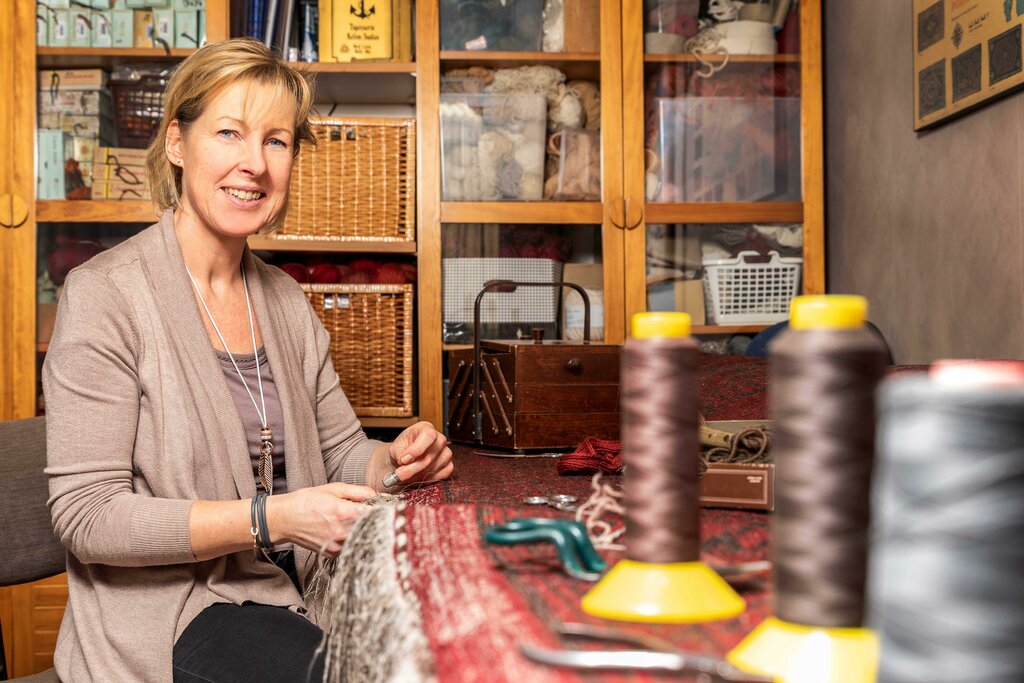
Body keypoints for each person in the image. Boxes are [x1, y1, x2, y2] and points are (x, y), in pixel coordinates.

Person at [43, 38, 452, 682]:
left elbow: (341, 451)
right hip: (170, 613)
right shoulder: (106, 295)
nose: (254, 164)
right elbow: (87, 517)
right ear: (177, 144)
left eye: (276, 141)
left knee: (445, 648)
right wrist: (272, 519)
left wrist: (394, 462)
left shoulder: (284, 299)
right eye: (229, 132)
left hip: (291, 594)